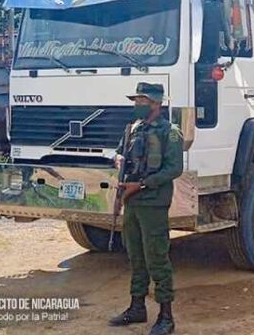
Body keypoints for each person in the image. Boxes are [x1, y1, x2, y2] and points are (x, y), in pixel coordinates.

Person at [109, 82, 183, 335]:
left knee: (157, 258)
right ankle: (137, 307)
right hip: (132, 202)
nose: (137, 105)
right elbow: (119, 153)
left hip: (153, 203)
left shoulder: (169, 132)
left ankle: (166, 316)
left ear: (156, 104)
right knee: (136, 257)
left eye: (142, 101)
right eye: (136, 100)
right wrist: (117, 158)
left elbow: (174, 169)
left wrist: (141, 185)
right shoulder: (132, 129)